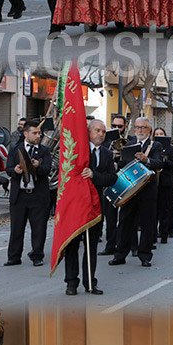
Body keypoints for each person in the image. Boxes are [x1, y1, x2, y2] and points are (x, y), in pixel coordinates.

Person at [65, 119, 116, 295]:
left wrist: (95, 176)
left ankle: (90, 283)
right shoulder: (78, 151)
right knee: (72, 244)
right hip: (76, 204)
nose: (100, 134)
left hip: (95, 205)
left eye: (103, 131)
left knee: (91, 245)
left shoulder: (107, 155)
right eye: (97, 130)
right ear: (88, 131)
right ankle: (71, 283)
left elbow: (112, 178)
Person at [108, 117, 163, 268]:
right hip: (130, 189)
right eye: (137, 127)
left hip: (147, 190)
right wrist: (115, 164)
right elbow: (122, 165)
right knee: (125, 222)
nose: (139, 130)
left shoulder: (155, 145)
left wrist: (146, 160)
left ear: (149, 130)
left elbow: (159, 164)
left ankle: (145, 255)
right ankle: (120, 254)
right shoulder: (129, 144)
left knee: (147, 223)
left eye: (143, 128)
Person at [5, 119, 51, 267]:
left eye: (39, 133)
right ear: (26, 134)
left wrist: (38, 166)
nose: (38, 136)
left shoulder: (44, 150)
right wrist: (15, 171)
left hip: (38, 195)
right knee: (17, 228)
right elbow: (9, 169)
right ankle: (14, 257)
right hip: (20, 195)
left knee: (38, 228)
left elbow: (48, 169)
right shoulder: (16, 149)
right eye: (35, 133)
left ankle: (37, 255)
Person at [99, 115, 136, 257]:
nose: (116, 128)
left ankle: (132, 246)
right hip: (110, 182)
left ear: (125, 126)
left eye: (119, 126)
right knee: (110, 217)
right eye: (114, 125)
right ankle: (110, 245)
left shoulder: (130, 141)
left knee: (128, 217)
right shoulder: (105, 142)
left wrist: (122, 155)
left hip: (125, 181)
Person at [153, 128, 173, 243]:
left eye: (161, 134)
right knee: (154, 210)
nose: (159, 136)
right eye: (157, 134)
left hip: (167, 183)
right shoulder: (152, 148)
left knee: (167, 208)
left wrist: (165, 162)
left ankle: (166, 231)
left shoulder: (171, 150)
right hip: (155, 183)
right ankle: (153, 234)